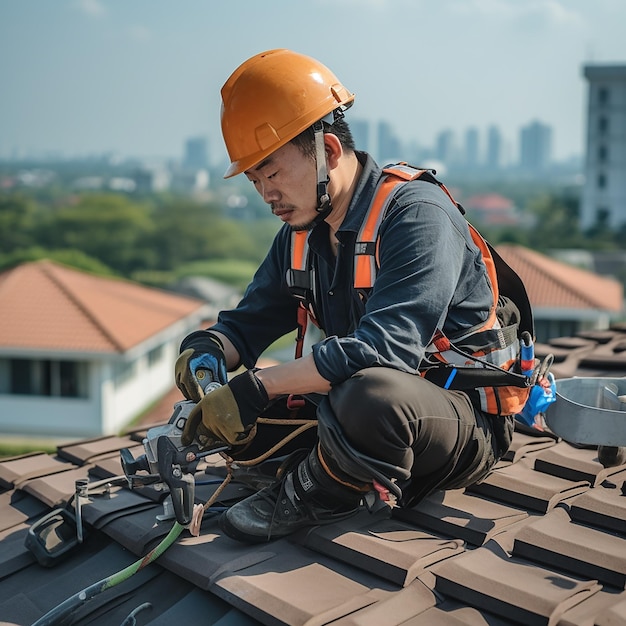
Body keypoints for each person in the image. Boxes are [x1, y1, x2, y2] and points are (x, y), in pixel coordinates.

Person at [175, 48, 532, 543]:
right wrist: (207, 354)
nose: (266, 194)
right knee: (237, 428)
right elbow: (246, 324)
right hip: (348, 402)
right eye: (255, 179)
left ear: (330, 152)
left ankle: (314, 490)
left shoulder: (415, 215)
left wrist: (259, 386)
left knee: (371, 395)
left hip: (453, 417)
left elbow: (384, 352)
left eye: (273, 172)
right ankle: (331, 458)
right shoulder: (301, 235)